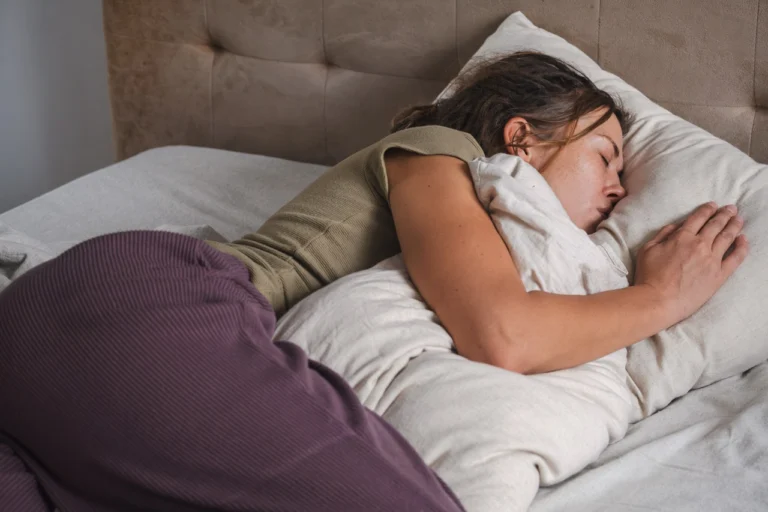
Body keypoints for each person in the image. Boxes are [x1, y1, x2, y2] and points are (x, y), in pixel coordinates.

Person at [0, 52, 747, 511]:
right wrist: (662, 297)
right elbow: (504, 334)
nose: (619, 189)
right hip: (152, 308)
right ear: (521, 137)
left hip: (49, 357)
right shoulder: (438, 153)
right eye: (606, 156)